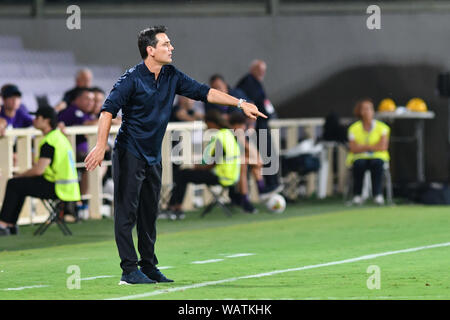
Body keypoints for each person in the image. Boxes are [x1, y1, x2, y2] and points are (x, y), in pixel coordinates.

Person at [84, 26, 266, 285]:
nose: (172, 48)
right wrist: (101, 145)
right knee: (126, 214)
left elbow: (206, 92)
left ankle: (148, 266)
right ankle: (128, 270)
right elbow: (107, 111)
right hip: (129, 152)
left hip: (152, 156)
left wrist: (239, 103)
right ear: (150, 50)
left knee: (149, 213)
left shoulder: (171, 75)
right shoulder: (130, 80)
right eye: (166, 44)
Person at [0, 106, 81, 236]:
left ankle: (4, 224)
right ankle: (10, 225)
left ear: (46, 120)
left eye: (37, 117)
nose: (34, 120)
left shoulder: (49, 141)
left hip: (57, 188)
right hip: (68, 188)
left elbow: (38, 170)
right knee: (19, 184)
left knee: (14, 183)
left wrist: (21, 175)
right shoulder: (59, 137)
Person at [166, 110, 241, 218]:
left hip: (221, 176)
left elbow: (215, 160)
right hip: (232, 176)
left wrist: (200, 168)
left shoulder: (220, 136)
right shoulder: (228, 134)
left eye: (207, 123)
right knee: (185, 173)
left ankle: (175, 207)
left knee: (182, 175)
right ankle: (175, 206)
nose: (206, 126)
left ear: (212, 122)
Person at [236, 60, 282, 194]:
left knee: (268, 154)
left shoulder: (255, 82)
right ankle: (268, 186)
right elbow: (250, 103)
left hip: (260, 124)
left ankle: (272, 184)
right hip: (254, 125)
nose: (262, 73)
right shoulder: (249, 82)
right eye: (260, 69)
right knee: (262, 156)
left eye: (263, 70)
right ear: (253, 69)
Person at [347, 98, 390, 205]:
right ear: (360, 112)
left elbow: (383, 147)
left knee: (377, 164)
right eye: (365, 109)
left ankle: (378, 195)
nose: (368, 111)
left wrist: (363, 146)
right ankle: (357, 195)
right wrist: (373, 146)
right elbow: (353, 148)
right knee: (359, 164)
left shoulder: (382, 127)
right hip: (359, 157)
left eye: (370, 109)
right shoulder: (353, 128)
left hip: (377, 157)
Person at [58, 87, 97, 197]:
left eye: (92, 100)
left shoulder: (87, 113)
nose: (91, 102)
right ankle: (83, 200)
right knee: (93, 161)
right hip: (69, 153)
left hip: (79, 152)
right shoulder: (72, 111)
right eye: (87, 99)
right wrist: (108, 120)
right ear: (76, 100)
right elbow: (87, 124)